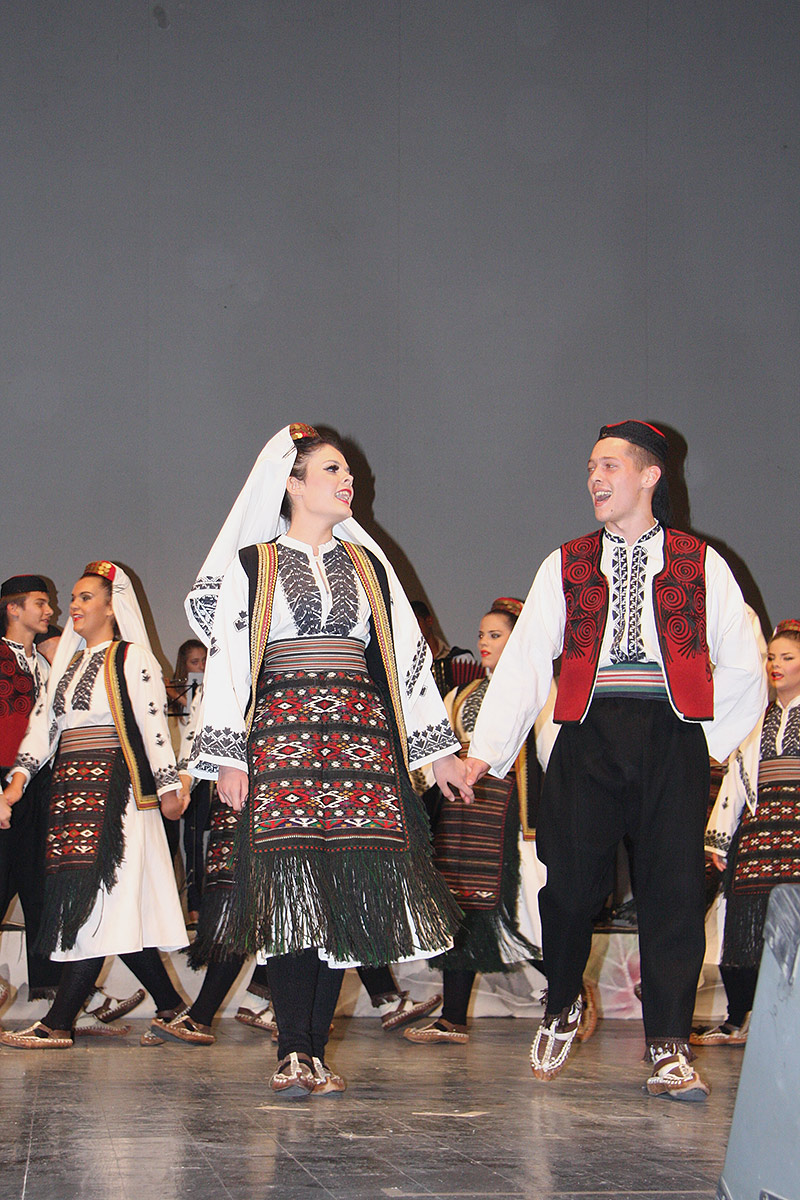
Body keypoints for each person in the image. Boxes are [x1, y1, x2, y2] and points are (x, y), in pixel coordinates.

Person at [465, 420, 766, 1101]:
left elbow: (745, 658)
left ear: (650, 474)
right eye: (591, 468)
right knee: (569, 888)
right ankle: (563, 1001)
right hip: (588, 733)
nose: (595, 478)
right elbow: (525, 662)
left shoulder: (700, 561)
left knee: (673, 894)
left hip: (671, 733)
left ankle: (668, 1044)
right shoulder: (566, 563)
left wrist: (707, 742)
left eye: (609, 466)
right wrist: (486, 752)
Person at [183, 423, 470, 1097]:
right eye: (333, 470)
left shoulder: (369, 565)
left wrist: (438, 751)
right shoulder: (253, 564)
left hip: (359, 738)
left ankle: (312, 1050)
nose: (349, 481)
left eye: (349, 472)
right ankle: (293, 1050)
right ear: (292, 483)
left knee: (340, 893)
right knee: (291, 888)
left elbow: (406, 659)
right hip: (281, 735)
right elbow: (227, 663)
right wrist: (228, 757)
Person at [1, 561, 190, 1049]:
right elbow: (43, 727)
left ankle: (58, 1022)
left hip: (117, 798)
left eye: (85, 597)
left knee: (99, 905)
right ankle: (174, 1008)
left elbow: (153, 728)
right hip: (70, 796)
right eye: (73, 598)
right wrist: (18, 780)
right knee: (109, 905)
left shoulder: (132, 657)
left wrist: (169, 788)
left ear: (111, 606)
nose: (73, 606)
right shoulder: (65, 665)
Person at [405, 597, 541, 1044]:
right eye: (482, 634)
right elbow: (433, 756)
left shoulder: (539, 690)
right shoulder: (459, 695)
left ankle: (569, 991)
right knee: (459, 907)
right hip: (462, 816)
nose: (484, 642)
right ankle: (453, 1018)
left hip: (513, 819)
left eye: (495, 635)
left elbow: (552, 755)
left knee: (520, 914)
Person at [696, 620, 800, 1046]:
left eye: (787, 658)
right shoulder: (757, 718)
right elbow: (736, 781)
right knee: (739, 924)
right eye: (772, 657)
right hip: (759, 832)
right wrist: (720, 838)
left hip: (796, 832)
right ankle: (738, 1017)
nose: (776, 665)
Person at [0, 575, 63, 1003]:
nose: (49, 611)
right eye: (40, 603)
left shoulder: (41, 662)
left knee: (41, 889)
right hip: (4, 782)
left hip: (39, 783)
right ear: (13, 608)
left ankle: (49, 994)